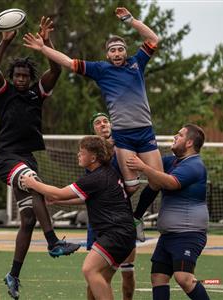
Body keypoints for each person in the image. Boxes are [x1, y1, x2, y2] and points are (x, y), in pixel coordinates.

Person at [22, 7, 163, 198]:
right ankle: (121, 218)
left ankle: (136, 217)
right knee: (131, 187)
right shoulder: (100, 69)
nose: (117, 53)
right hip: (123, 136)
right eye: (112, 50)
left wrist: (131, 21)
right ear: (107, 55)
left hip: (145, 130)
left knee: (158, 181)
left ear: (126, 52)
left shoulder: (136, 63)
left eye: (121, 49)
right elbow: (69, 62)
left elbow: (153, 39)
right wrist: (43, 48)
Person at [0, 17, 80, 299]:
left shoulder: (37, 94)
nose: (22, 79)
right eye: (18, 76)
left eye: (26, 76)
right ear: (13, 78)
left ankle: (13, 275)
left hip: (26, 158)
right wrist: (5, 42)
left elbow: (56, 69)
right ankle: (53, 242)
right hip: (6, 158)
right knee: (35, 182)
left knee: (27, 220)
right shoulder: (5, 93)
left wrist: (46, 43)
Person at [22, 136, 136, 300]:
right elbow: (84, 198)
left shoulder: (95, 178)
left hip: (115, 234)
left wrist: (32, 183)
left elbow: (58, 192)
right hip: (124, 234)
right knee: (98, 280)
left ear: (93, 157)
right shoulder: (108, 172)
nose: (78, 155)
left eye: (82, 152)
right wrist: (57, 199)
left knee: (89, 269)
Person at [126, 124, 210, 300]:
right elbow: (153, 182)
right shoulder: (170, 162)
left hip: (188, 234)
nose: (174, 136)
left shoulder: (195, 165)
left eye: (179, 135)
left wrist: (144, 167)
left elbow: (171, 182)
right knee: (158, 278)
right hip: (169, 235)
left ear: (189, 143)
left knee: (184, 278)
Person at [87, 112, 136, 300]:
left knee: (127, 271)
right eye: (97, 123)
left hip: (122, 217)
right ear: (94, 130)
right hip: (100, 219)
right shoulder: (92, 154)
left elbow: (132, 184)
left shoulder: (122, 148)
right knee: (93, 274)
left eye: (105, 121)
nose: (102, 124)